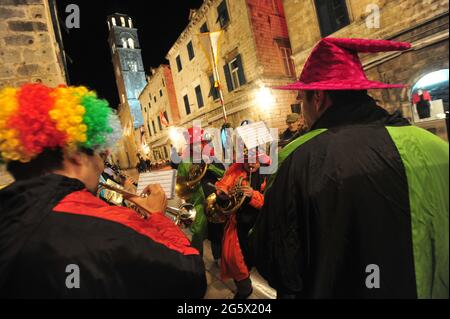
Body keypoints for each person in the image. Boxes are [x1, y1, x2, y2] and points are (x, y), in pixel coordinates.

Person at [250, 38, 449, 299]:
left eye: (302, 102)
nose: (303, 113)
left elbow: (279, 263)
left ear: (318, 98)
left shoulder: (299, 159)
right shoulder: (439, 147)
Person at [0, 84, 206, 298]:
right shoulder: (108, 223)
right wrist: (157, 217)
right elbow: (191, 274)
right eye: (101, 156)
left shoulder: (9, 215)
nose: (101, 167)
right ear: (75, 155)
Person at [215, 148, 270, 299]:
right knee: (233, 257)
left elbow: (270, 202)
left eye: (254, 160)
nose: (250, 164)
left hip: (260, 224)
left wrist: (253, 194)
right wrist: (222, 194)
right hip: (238, 222)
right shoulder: (236, 169)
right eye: (247, 160)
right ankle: (244, 287)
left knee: (257, 258)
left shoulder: (268, 172)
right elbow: (224, 185)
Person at [176, 127, 225, 256]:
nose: (199, 146)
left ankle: (218, 256)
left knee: (218, 229)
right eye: (195, 144)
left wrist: (210, 166)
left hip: (214, 199)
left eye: (201, 142)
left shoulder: (211, 156)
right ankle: (196, 258)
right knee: (198, 231)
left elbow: (224, 173)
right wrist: (189, 188)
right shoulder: (185, 162)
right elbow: (181, 186)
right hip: (198, 201)